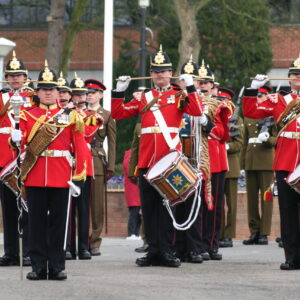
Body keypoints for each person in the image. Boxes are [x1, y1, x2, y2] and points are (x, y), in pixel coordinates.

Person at [111, 45, 203, 267]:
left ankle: (167, 251)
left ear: (170, 73)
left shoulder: (178, 95)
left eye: (163, 71)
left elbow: (197, 111)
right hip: (146, 161)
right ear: (151, 73)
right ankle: (153, 250)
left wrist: (190, 88)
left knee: (168, 208)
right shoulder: (144, 97)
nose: (159, 75)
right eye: (156, 71)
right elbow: (118, 113)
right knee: (149, 209)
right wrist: (118, 92)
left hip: (168, 162)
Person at [11, 61, 87, 280]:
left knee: (58, 223)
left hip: (61, 175)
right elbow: (20, 144)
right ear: (38, 92)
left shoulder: (70, 116)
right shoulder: (26, 115)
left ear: (57, 92)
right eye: (43, 89)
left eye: (51, 89)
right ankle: (37, 266)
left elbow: (80, 148)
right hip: (35, 174)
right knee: (35, 223)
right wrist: (14, 139)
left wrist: (79, 175)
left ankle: (56, 265)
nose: (47, 93)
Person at [242, 54, 300, 270]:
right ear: (289, 78)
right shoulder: (279, 100)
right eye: (294, 74)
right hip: (285, 161)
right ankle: (292, 257)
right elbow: (250, 111)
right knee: (288, 211)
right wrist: (253, 89)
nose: (298, 78)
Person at [0, 51, 33, 267]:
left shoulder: (35, 97)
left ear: (26, 76)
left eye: (18, 75)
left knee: (28, 208)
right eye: (10, 75)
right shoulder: (1, 97)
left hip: (27, 159)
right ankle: (11, 251)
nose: (14, 78)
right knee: (9, 209)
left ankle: (30, 251)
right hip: (4, 159)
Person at [241, 85, 276, 246]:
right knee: (252, 198)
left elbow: (278, 139)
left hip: (267, 160)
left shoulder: (273, 116)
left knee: (266, 198)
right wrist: (242, 164)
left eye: (261, 96)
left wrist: (268, 139)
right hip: (251, 160)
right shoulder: (249, 116)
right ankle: (254, 230)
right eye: (257, 96)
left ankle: (264, 232)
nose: (258, 99)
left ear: (267, 97)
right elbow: (244, 142)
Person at [85, 78, 116, 256]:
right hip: (80, 160)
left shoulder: (107, 114)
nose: (90, 96)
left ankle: (95, 241)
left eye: (93, 93)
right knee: (80, 204)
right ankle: (80, 239)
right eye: (87, 93)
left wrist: (110, 167)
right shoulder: (78, 112)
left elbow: (112, 143)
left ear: (101, 95)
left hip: (96, 159)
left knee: (97, 205)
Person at [66, 74, 94, 260]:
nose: (79, 98)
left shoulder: (90, 115)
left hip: (84, 165)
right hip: (67, 163)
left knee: (83, 209)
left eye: (82, 95)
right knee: (67, 209)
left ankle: (84, 246)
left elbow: (88, 133)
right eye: (76, 95)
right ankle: (68, 247)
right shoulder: (64, 113)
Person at [220, 112, 244, 248]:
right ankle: (219, 233)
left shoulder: (236, 119)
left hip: (231, 166)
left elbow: (239, 143)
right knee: (218, 204)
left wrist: (228, 146)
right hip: (216, 165)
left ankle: (228, 235)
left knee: (231, 205)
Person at [123, 149, 141, 239]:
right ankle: (131, 233)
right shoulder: (130, 155)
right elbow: (130, 169)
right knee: (134, 212)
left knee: (139, 214)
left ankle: (136, 233)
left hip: (136, 188)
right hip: (133, 188)